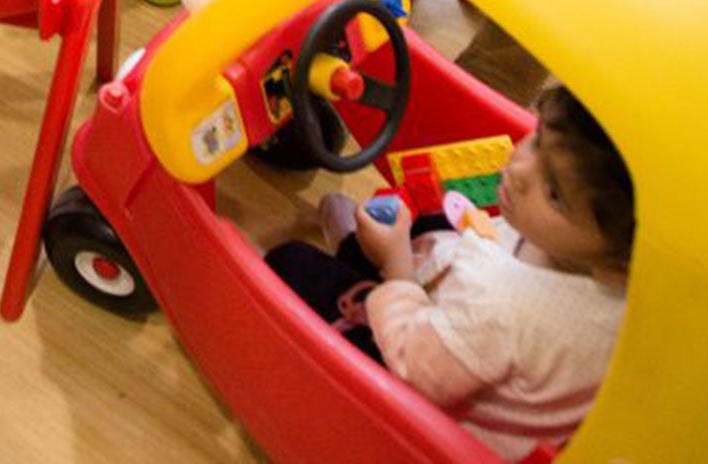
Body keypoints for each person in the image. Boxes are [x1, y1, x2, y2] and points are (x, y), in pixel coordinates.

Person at [263, 85, 633, 461]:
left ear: (621, 255)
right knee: (434, 219)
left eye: (554, 194)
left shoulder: (501, 302)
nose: (519, 168)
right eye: (537, 139)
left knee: (290, 261)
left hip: (422, 402)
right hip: (468, 317)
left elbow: (412, 367)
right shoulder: (624, 282)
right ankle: (365, 251)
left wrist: (395, 264)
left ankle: (354, 256)